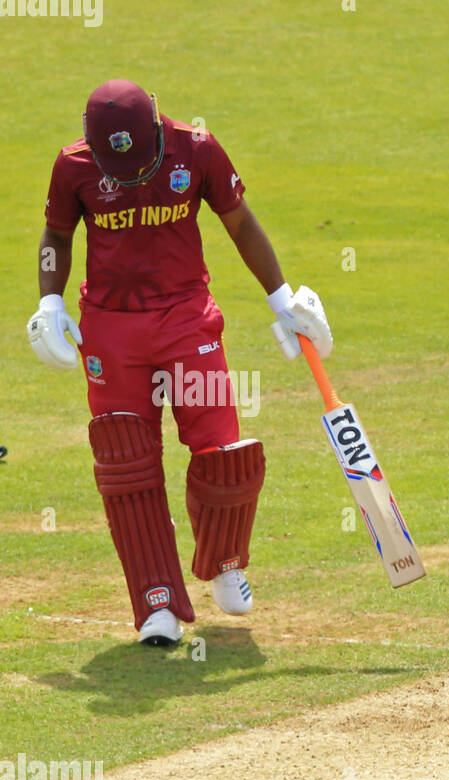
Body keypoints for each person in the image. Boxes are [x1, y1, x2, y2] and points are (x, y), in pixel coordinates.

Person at [29, 78, 333, 645]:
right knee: (126, 464)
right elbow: (57, 233)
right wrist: (50, 298)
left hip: (185, 319)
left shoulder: (197, 148)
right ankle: (155, 603)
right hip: (112, 331)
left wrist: (280, 298)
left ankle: (223, 563)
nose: (133, 175)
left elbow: (238, 221)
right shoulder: (72, 167)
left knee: (221, 449)